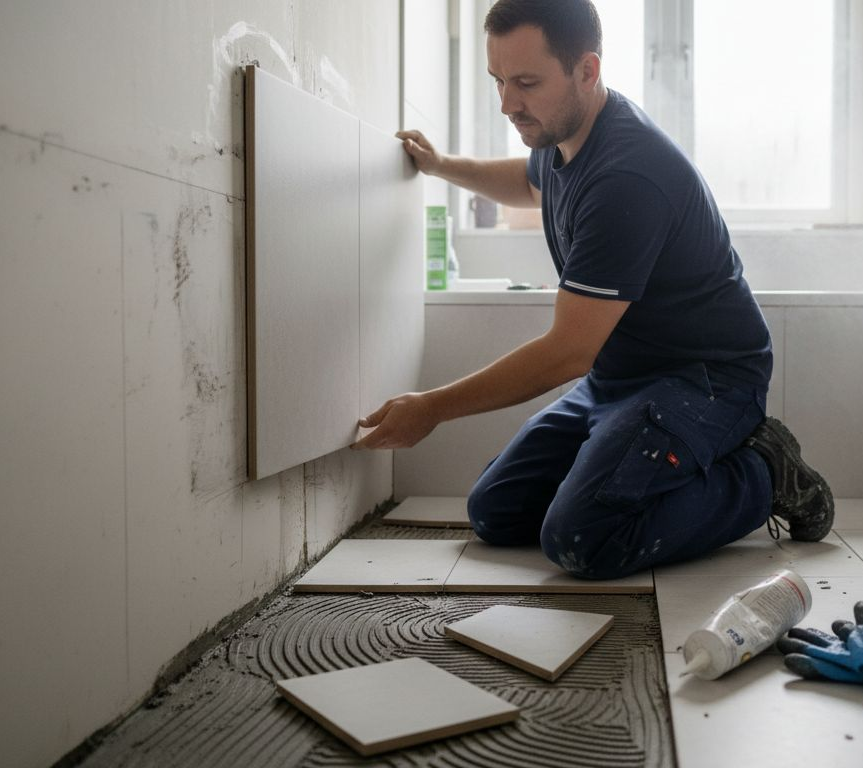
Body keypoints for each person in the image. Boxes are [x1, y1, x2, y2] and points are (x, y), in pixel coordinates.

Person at [353, 0, 833, 579]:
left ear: (587, 70)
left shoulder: (626, 178)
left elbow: (567, 352)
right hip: (619, 380)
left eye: (526, 82)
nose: (507, 103)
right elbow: (530, 182)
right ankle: (624, 474)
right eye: (498, 81)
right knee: (495, 512)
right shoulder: (566, 133)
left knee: (581, 539)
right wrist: (440, 165)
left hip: (704, 381)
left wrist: (430, 408)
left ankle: (761, 473)